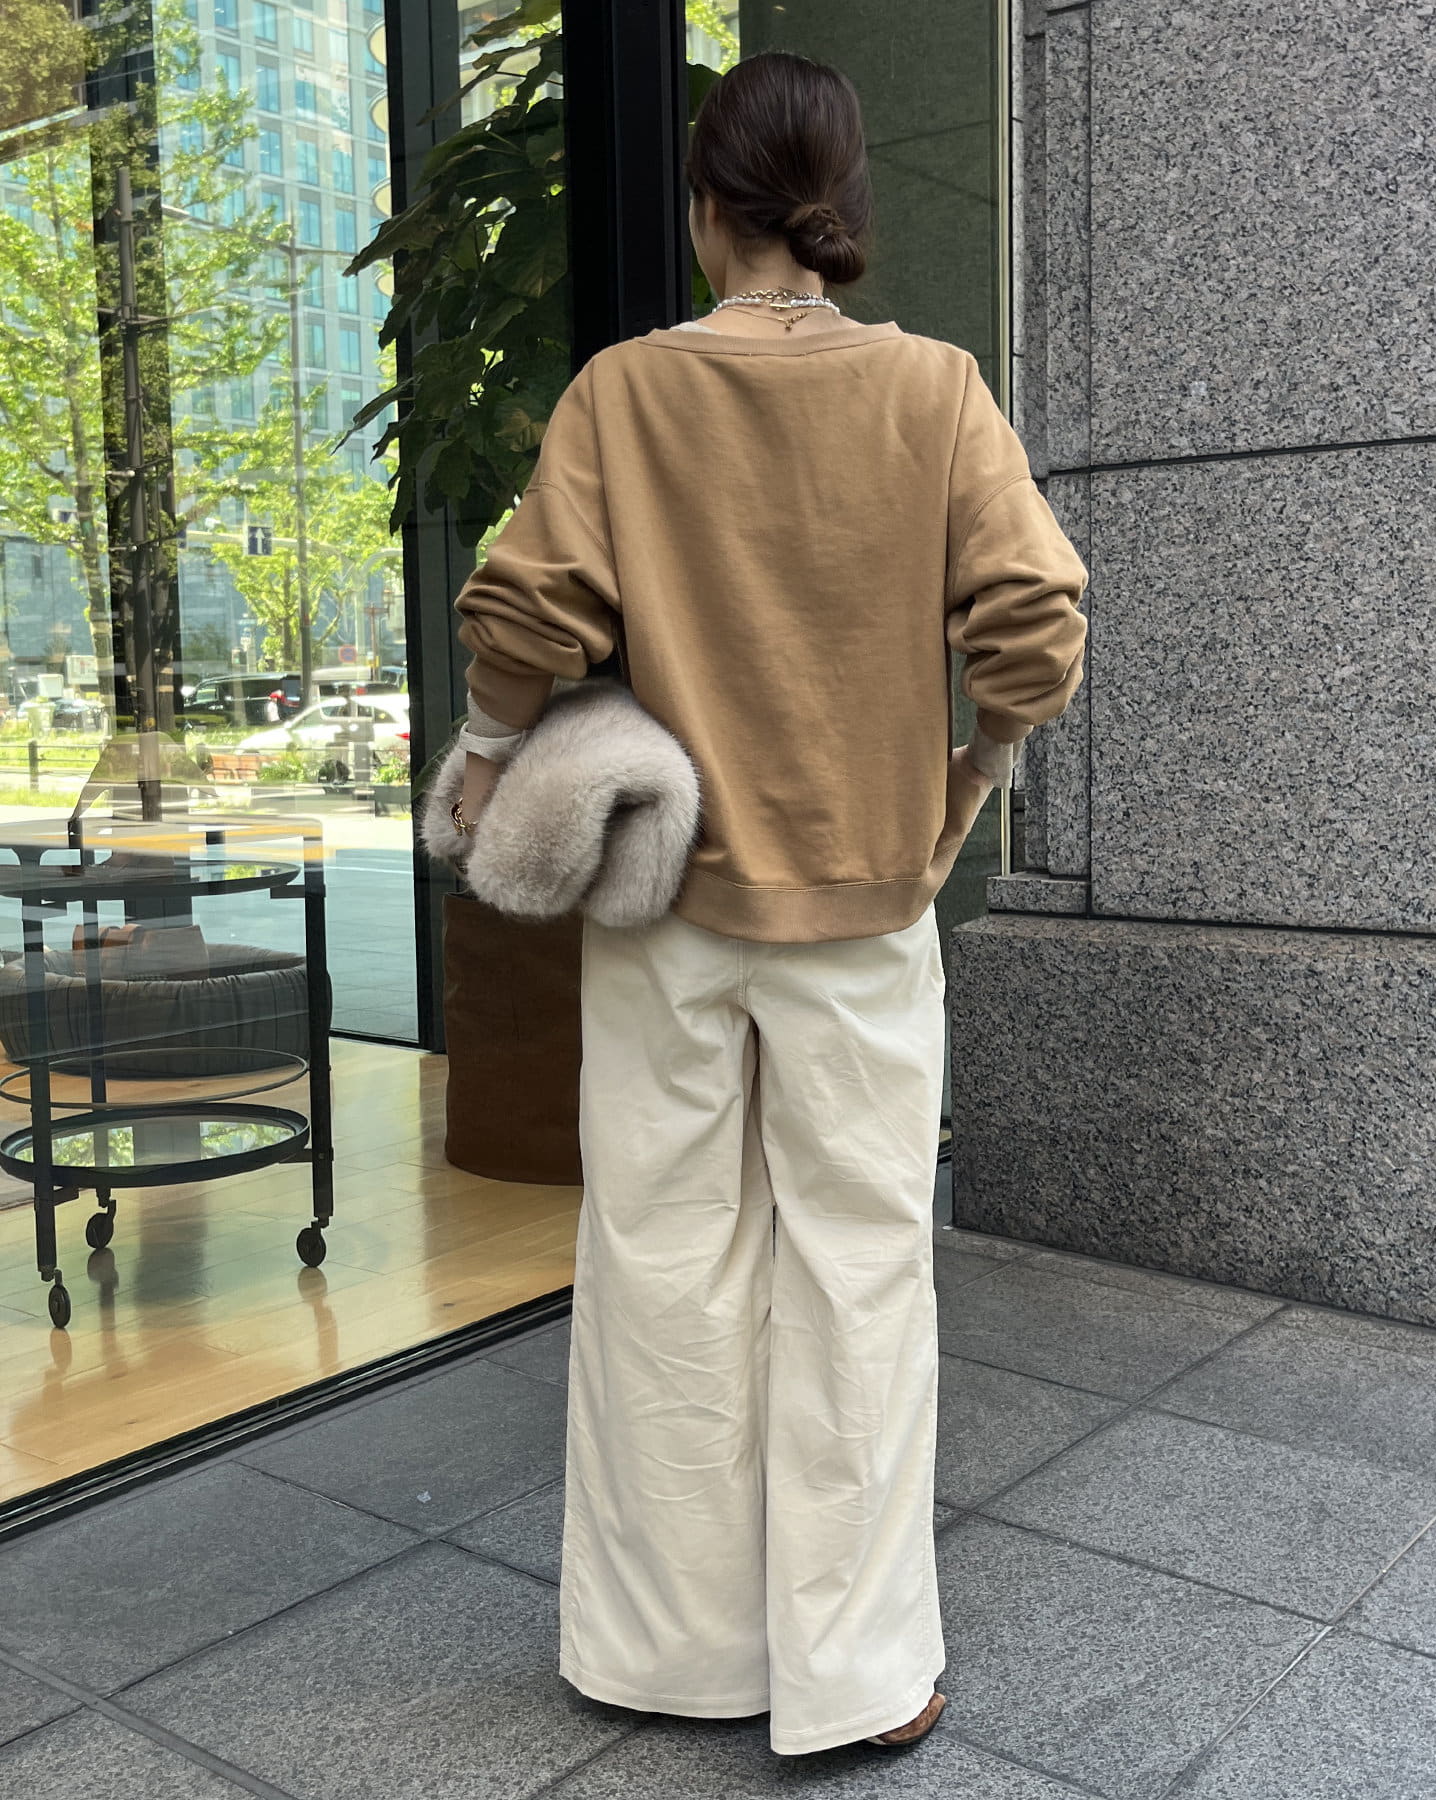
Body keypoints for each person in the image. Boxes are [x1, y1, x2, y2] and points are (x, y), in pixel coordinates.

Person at [450, 49, 1088, 1757]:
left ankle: (666, 1654)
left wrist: (490, 757)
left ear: (704, 206)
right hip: (865, 914)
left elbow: (524, 614)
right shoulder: (935, 390)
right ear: (841, 205)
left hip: (667, 909)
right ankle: (859, 1679)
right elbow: (1035, 617)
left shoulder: (624, 393)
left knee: (661, 1260)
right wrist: (971, 773)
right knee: (861, 1271)